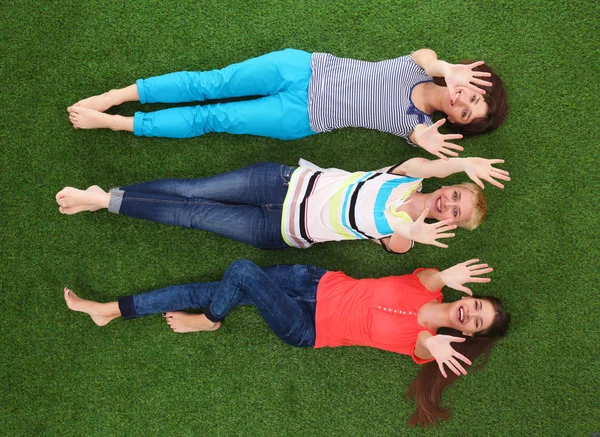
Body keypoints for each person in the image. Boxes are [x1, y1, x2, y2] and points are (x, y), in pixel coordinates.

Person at [63, 258, 511, 426]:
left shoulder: (425, 346)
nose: (471, 314)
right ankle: (109, 310)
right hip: (313, 280)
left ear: (468, 334)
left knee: (238, 273)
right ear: (467, 299)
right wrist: (449, 276)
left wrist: (433, 344)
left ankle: (210, 323)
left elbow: (419, 345)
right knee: (209, 287)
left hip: (305, 327)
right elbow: (432, 276)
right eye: (477, 307)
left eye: (476, 323)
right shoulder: (428, 286)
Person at [66, 49, 508, 159]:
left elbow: (418, 138)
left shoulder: (417, 124)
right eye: (470, 93)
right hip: (300, 69)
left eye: (466, 111)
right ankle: (120, 95)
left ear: (456, 122)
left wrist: (425, 142)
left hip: (300, 116)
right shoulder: (421, 66)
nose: (461, 99)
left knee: (212, 117)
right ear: (464, 78)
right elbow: (427, 56)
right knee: (211, 82)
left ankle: (116, 125)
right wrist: (448, 66)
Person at [55, 156, 510, 253]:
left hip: (276, 233)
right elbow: (423, 167)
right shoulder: (408, 177)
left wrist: (415, 229)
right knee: (194, 190)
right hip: (279, 183)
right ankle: (104, 196)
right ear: (450, 185)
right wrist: (463, 160)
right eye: (457, 195)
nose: (449, 204)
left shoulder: (404, 239)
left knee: (190, 215)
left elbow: (395, 241)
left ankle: (104, 202)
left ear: (449, 224)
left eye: (457, 213)